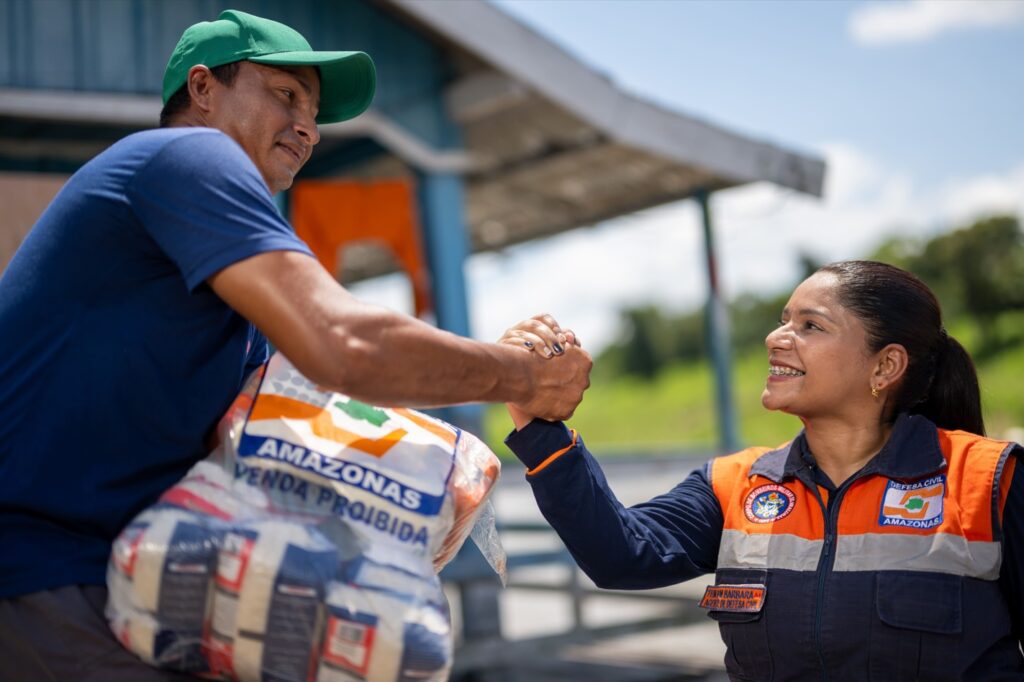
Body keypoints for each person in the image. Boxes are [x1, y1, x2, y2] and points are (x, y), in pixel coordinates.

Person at [0, 10, 590, 681]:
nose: (308, 127)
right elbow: (345, 345)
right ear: (203, 89)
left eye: (313, 112)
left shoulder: (222, 272)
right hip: (42, 577)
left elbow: (307, 410)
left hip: (106, 581)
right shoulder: (188, 156)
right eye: (285, 95)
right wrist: (521, 375)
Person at [499, 260, 1024, 681]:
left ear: (884, 366)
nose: (776, 338)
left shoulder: (988, 480)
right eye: (783, 320)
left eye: (810, 326)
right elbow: (621, 556)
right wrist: (537, 422)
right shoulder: (734, 484)